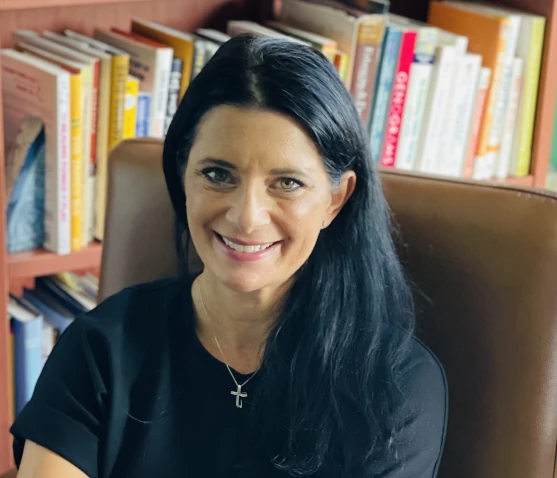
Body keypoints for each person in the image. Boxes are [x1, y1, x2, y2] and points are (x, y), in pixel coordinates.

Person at [10, 34, 448, 477]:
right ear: (184, 176)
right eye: (218, 174)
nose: (246, 217)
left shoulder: (396, 385)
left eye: (287, 183)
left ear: (336, 199)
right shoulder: (100, 348)